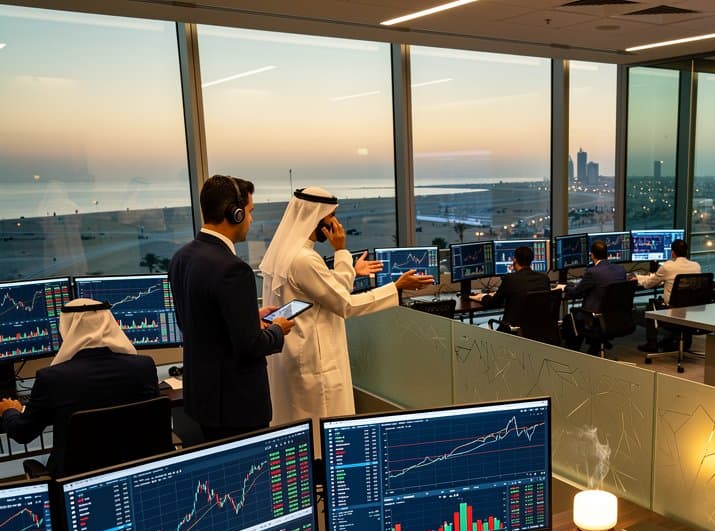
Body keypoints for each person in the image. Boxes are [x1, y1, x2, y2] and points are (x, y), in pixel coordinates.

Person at [259, 186, 434, 452]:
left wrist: (351, 268)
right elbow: (344, 304)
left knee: (303, 437)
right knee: (322, 441)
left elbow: (323, 290)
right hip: (316, 363)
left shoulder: (287, 252)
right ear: (317, 218)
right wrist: (394, 287)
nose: (336, 223)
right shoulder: (304, 259)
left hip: (297, 358)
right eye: (331, 216)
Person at [169, 174, 295, 442]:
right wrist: (278, 329)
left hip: (200, 400)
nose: (251, 219)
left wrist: (249, 316)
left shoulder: (182, 257)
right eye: (249, 211)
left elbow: (195, 321)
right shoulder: (233, 269)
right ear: (234, 214)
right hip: (235, 408)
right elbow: (250, 345)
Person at [0, 298, 159, 476]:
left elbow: (23, 433)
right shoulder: (144, 366)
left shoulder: (52, 378)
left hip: (75, 480)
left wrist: (9, 411)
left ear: (67, 329)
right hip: (137, 470)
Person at [560, 239, 628, 354]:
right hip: (616, 317)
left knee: (569, 319)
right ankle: (594, 347)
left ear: (592, 255)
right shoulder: (620, 270)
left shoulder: (592, 272)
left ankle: (572, 354)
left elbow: (576, 292)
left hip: (596, 317)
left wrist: (564, 287)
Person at [634, 238, 701, 353]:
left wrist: (638, 279)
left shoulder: (667, 266)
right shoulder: (696, 266)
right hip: (691, 312)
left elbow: (649, 284)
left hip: (672, 312)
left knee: (651, 305)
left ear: (673, 252)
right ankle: (679, 340)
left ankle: (652, 343)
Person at [471, 245, 550, 332]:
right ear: (531, 260)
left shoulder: (510, 279)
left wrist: (483, 297)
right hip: (538, 331)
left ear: (515, 260)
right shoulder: (544, 278)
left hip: (513, 331)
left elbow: (494, 303)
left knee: (478, 329)